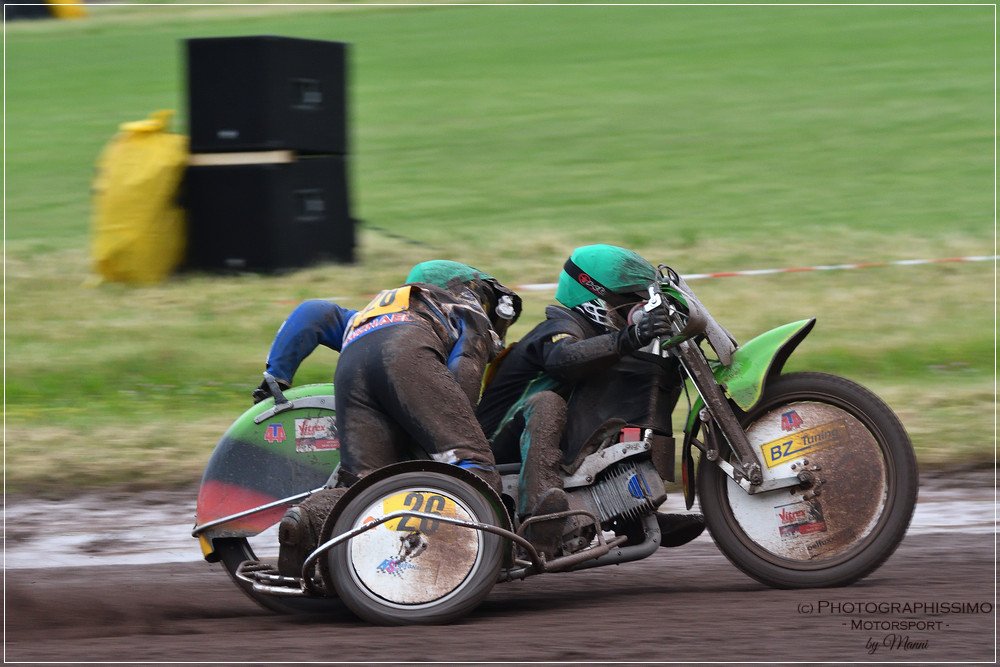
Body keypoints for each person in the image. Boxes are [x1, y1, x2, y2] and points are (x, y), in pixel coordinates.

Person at [271, 260, 522, 576]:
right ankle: (489, 559)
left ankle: (308, 520)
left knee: (366, 485)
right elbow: (465, 368)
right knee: (471, 459)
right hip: (408, 352)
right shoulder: (463, 304)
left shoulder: (376, 308)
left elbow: (313, 313)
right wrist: (458, 417)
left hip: (352, 364)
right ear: (469, 286)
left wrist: (277, 372)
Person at [476, 244, 701, 558]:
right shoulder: (558, 328)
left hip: (533, 438)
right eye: (632, 302)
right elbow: (564, 358)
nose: (639, 311)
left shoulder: (593, 334)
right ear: (596, 299)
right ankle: (539, 518)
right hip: (494, 448)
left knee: (631, 383)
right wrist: (634, 335)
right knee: (547, 402)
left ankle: (633, 516)